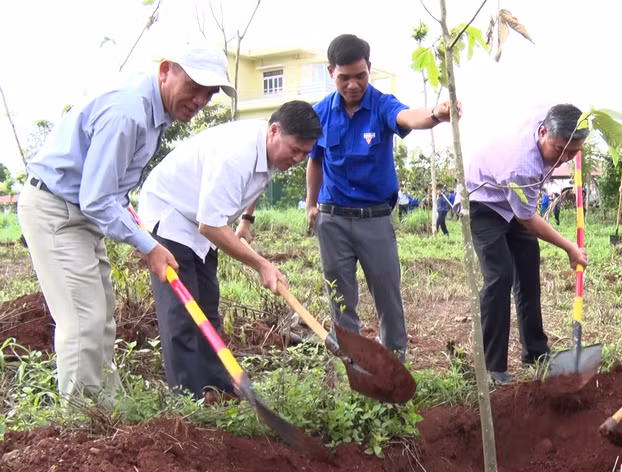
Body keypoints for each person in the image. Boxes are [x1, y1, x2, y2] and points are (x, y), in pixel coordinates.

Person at [16, 44, 234, 409]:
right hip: (57, 212)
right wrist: (149, 246)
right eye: (195, 86)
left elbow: (113, 193)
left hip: (81, 215)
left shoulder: (153, 113)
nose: (200, 100)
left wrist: (143, 234)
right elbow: (96, 198)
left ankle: (108, 408)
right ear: (165, 71)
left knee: (101, 318)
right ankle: (81, 421)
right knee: (83, 321)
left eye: (209, 94)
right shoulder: (129, 112)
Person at [137, 101, 321, 401]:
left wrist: (246, 219)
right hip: (171, 214)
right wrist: (261, 264)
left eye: (305, 153)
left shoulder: (270, 149)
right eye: (295, 150)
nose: (299, 159)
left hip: (201, 217)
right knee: (182, 311)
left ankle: (218, 384)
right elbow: (210, 226)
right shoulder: (236, 155)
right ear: (275, 131)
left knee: (208, 304)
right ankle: (188, 398)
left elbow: (255, 183)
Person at [305, 34, 460, 362]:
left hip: (374, 219)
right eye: (344, 78)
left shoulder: (381, 104)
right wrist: (310, 204)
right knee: (340, 298)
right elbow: (315, 161)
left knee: (387, 294)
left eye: (360, 76)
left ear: (369, 69)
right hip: (332, 220)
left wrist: (436, 114)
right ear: (331, 72)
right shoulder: (320, 114)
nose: (353, 85)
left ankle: (395, 361)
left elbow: (408, 117)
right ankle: (352, 363)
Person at [466, 103, 589, 385]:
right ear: (543, 132)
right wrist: (570, 247)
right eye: (560, 149)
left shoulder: (550, 121)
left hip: (513, 202)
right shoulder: (522, 165)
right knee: (500, 275)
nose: (565, 158)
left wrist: (573, 142)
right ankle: (493, 367)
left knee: (528, 271)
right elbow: (527, 219)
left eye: (574, 152)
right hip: (483, 201)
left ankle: (536, 352)